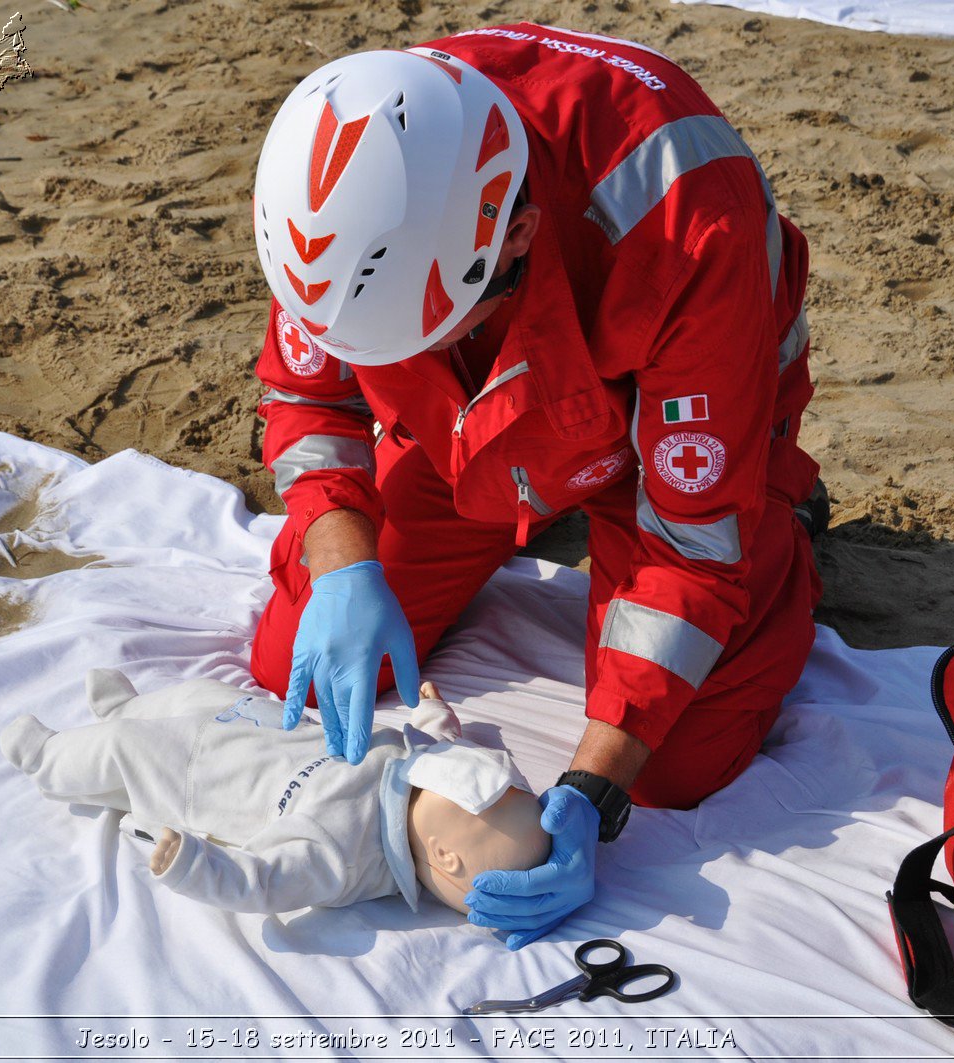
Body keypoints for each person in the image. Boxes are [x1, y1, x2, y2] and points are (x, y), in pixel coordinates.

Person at [246, 23, 825, 948]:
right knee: (297, 668)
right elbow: (308, 398)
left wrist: (595, 788)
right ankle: (519, 498)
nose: (399, 353)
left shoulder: (683, 224)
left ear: (516, 234)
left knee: (677, 761)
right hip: (467, 425)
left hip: (660, 431)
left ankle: (784, 513)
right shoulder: (348, 181)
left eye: (425, 333)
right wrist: (342, 559)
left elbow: (690, 551)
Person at [0, 672, 549, 915]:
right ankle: (128, 705)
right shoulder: (421, 767)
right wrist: (433, 710)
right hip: (259, 724)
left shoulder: (343, 854)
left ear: (445, 855)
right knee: (202, 693)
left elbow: (264, 882)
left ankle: (47, 756)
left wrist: (195, 864)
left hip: (198, 773)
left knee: (124, 748)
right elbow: (442, 742)